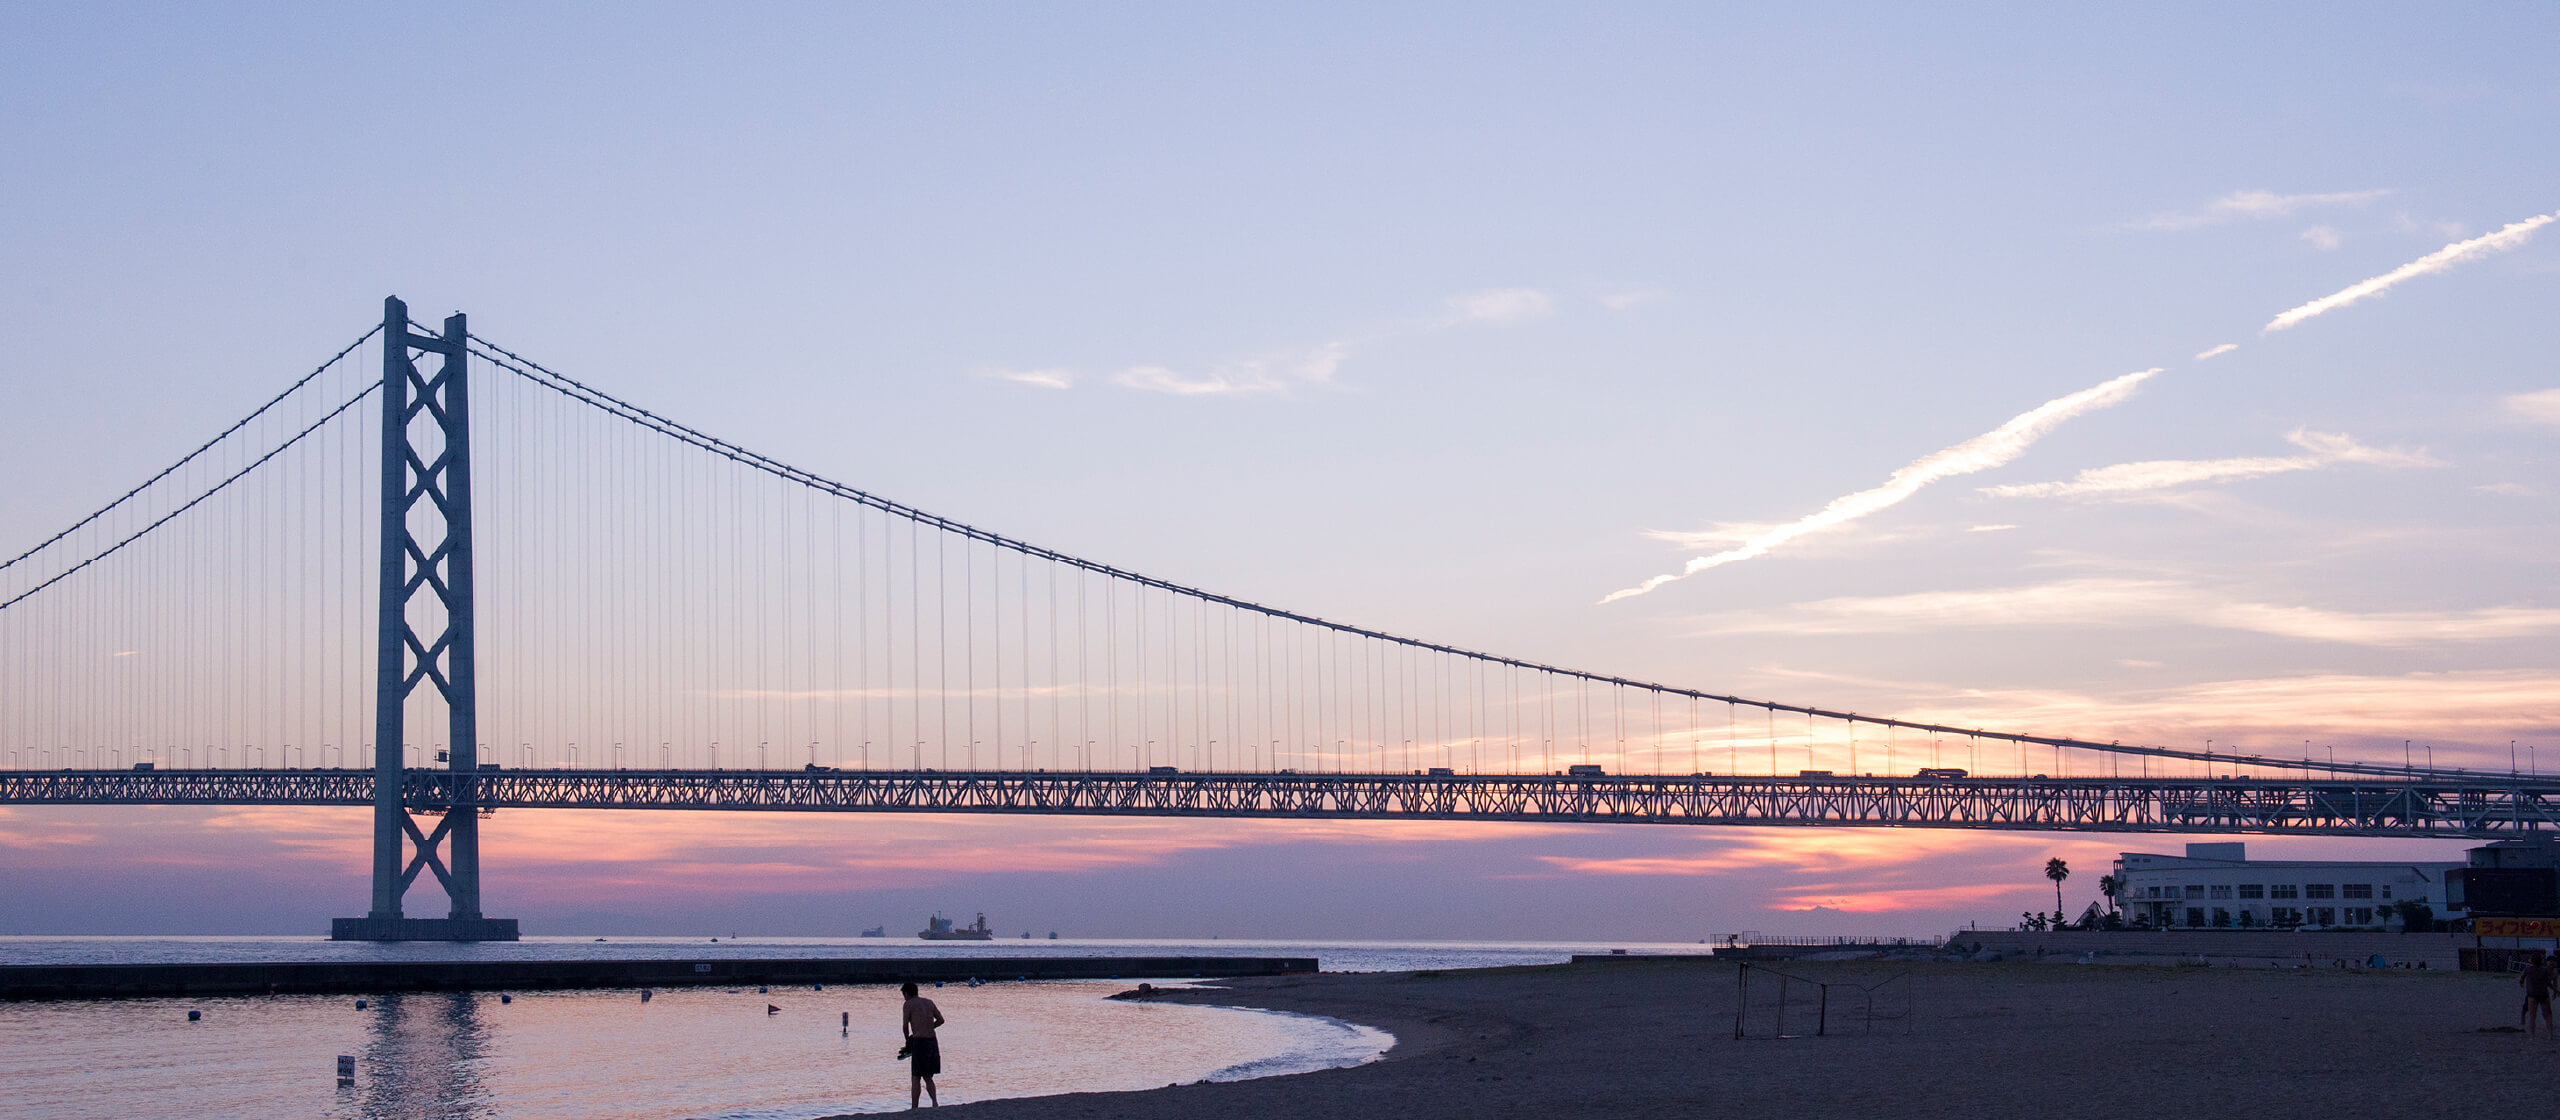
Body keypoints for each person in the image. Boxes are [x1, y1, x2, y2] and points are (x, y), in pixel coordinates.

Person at [900, 981, 946, 1108]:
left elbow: (905, 1026)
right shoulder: (929, 1002)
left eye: (904, 994)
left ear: (907, 993)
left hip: (919, 1042)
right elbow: (941, 1020)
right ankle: (935, 1103)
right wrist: (929, 1027)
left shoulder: (908, 1004)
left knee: (915, 1076)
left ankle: (914, 1107)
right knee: (928, 1076)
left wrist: (907, 1039)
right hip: (932, 1041)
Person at [2521, 956, 2556, 1038]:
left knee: (2532, 1015)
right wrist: (2555, 990)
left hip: (2532, 994)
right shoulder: (2544, 970)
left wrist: (2522, 983)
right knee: (2547, 1015)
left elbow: (2522, 978)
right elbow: (2550, 980)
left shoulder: (2528, 969)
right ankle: (2550, 1034)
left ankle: (2532, 1035)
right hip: (2543, 994)